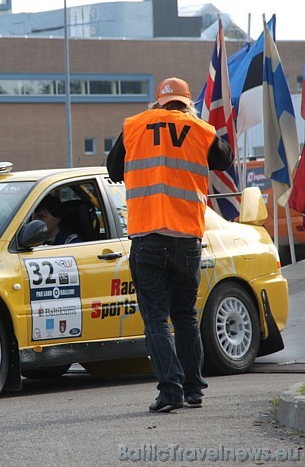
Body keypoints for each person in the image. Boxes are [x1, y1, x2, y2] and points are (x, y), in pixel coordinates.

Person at [107, 77, 234, 413]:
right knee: (185, 317)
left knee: (157, 320)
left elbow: (112, 168)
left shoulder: (135, 126)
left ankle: (170, 391)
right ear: (186, 102)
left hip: (148, 238)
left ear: (159, 102)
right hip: (187, 239)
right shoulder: (200, 128)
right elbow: (224, 160)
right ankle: (193, 389)